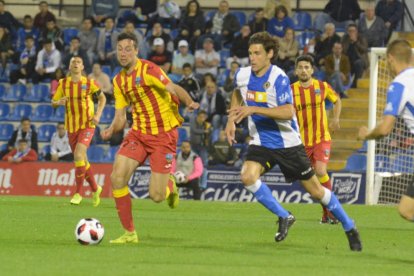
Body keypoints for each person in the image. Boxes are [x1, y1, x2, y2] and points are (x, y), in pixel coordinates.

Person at [225, 31, 361, 251]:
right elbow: (237, 93)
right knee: (247, 177)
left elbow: (289, 112)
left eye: (257, 53)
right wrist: (231, 120)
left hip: (288, 143)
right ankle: (284, 216)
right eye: (250, 53)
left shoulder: (278, 77)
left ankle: (349, 225)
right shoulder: (242, 75)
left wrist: (253, 109)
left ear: (270, 54)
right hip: (261, 141)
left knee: (316, 192)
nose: (252, 58)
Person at [100, 32, 199, 244]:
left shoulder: (149, 69)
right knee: (117, 178)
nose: (123, 53)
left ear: (136, 51)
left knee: (156, 196)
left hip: (163, 135)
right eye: (120, 49)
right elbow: (120, 118)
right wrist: (110, 130)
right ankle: (129, 233)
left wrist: (188, 101)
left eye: (128, 49)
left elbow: (172, 87)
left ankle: (169, 184)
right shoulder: (118, 81)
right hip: (138, 133)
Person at [358, 39, 414, 222]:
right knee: (407, 209)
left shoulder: (400, 84)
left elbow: (385, 128)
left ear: (390, 59)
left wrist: (366, 134)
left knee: (407, 210)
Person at [291, 54, 342, 224]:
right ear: (296, 71)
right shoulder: (291, 91)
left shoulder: (322, 86)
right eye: (301, 67)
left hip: (321, 138)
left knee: (320, 171)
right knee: (311, 181)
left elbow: (337, 101)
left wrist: (335, 119)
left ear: (312, 70)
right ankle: (326, 212)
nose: (304, 70)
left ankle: (332, 211)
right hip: (302, 142)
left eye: (307, 67)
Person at [51, 55, 106, 206]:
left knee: (78, 155)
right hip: (71, 127)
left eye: (78, 62)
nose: (75, 64)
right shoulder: (63, 84)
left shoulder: (89, 83)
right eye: (73, 62)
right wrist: (58, 102)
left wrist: (98, 114)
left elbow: (102, 99)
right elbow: (53, 103)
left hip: (87, 125)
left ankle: (78, 193)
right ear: (69, 67)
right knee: (83, 160)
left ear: (82, 67)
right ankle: (95, 188)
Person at [341, 23, 368, 88]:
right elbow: (342, 50)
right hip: (348, 60)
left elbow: (364, 49)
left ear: (356, 32)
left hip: (359, 59)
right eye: (350, 31)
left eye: (353, 31)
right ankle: (344, 86)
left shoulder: (361, 38)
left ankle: (355, 84)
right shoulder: (345, 39)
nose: (351, 33)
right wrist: (349, 42)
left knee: (358, 63)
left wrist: (355, 42)